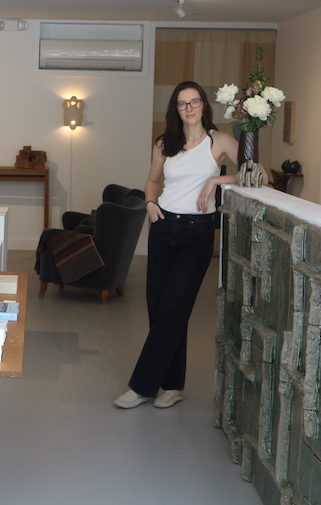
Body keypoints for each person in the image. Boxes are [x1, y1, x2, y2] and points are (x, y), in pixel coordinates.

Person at [114, 81, 240, 410]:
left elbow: (259, 175)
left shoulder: (219, 140)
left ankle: (142, 387)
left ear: (203, 105)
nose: (189, 108)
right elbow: (153, 180)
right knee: (161, 309)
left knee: (172, 308)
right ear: (176, 109)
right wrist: (150, 202)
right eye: (182, 104)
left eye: (194, 101)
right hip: (162, 226)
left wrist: (216, 180)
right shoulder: (164, 143)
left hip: (197, 233)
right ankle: (173, 385)